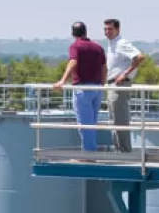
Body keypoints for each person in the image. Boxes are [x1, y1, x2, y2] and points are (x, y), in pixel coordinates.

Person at [53, 21, 106, 153]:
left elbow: (73, 61)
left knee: (84, 125)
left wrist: (62, 80)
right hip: (97, 89)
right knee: (92, 124)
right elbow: (104, 67)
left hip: (83, 89)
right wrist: (102, 83)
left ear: (73, 33)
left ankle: (89, 154)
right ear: (85, 32)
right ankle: (91, 152)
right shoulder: (98, 47)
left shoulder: (75, 46)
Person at [104, 18, 146, 153]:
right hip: (111, 84)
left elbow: (139, 57)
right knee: (113, 119)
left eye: (110, 29)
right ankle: (120, 150)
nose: (107, 32)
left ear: (117, 29)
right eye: (105, 29)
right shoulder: (112, 44)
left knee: (119, 119)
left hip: (119, 85)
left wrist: (125, 74)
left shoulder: (121, 43)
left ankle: (125, 151)